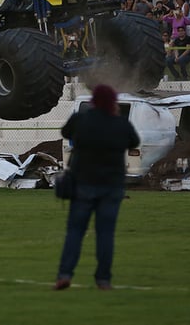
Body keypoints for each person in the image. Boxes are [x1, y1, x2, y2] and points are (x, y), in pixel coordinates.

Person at [54, 84, 140, 291]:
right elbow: (134, 141)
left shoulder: (81, 120)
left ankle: (65, 274)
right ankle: (103, 279)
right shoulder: (120, 123)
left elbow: (65, 132)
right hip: (111, 186)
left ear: (93, 100)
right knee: (105, 233)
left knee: (75, 231)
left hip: (83, 182)